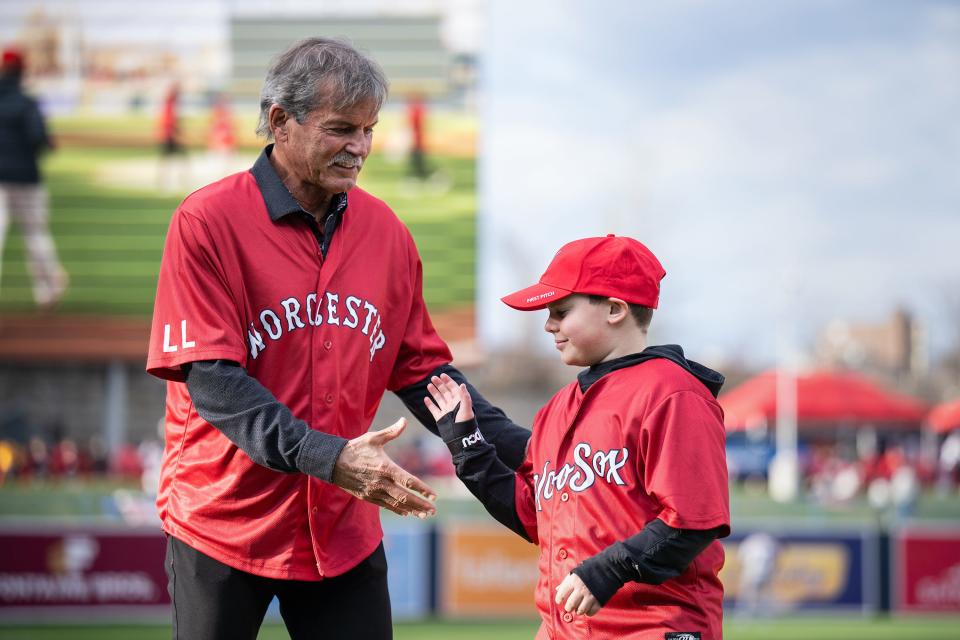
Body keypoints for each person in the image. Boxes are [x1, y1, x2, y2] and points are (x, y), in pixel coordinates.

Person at [145, 38, 528, 640]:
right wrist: (332, 458)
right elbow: (213, 382)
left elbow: (425, 374)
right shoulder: (206, 222)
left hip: (340, 531)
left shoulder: (387, 233)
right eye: (341, 129)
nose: (361, 148)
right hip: (222, 521)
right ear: (279, 122)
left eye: (370, 130)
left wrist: (527, 450)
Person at [425, 234, 731, 639]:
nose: (549, 324)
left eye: (562, 310)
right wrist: (468, 448)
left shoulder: (672, 392)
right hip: (563, 630)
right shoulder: (559, 407)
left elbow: (692, 521)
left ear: (615, 309)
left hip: (653, 626)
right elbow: (536, 518)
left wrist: (608, 570)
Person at [0, 46, 67, 308]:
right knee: (36, 235)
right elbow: (40, 138)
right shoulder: (27, 102)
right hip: (27, 179)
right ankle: (47, 290)